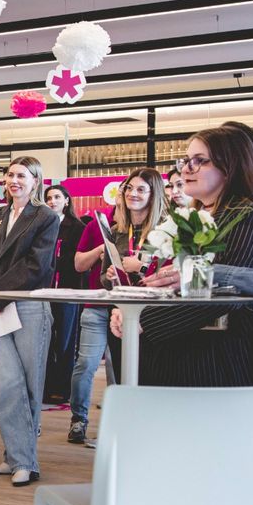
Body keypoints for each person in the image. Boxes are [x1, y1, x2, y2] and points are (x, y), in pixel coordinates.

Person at [114, 127, 253, 505]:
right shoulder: (198, 217)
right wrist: (139, 302)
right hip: (182, 370)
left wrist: (143, 318)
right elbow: (178, 285)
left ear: (232, 165)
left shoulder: (244, 218)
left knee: (204, 497)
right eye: (186, 159)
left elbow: (213, 300)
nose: (187, 168)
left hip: (213, 373)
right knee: (175, 492)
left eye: (200, 160)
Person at [0, 155, 60, 487]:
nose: (15, 180)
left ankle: (24, 458)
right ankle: (15, 454)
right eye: (11, 174)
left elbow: (37, 265)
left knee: (28, 384)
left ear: (35, 181)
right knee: (6, 384)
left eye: (22, 176)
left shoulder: (45, 216)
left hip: (28, 306)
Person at [67, 169, 165, 443]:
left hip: (149, 315)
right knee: (111, 369)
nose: (133, 194)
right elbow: (102, 274)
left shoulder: (166, 229)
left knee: (142, 373)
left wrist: (142, 265)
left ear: (153, 194)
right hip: (116, 309)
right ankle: (115, 430)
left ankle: (143, 432)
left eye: (141, 189)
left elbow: (172, 272)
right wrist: (110, 275)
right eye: (129, 188)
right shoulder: (117, 231)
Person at [42, 184, 85, 405]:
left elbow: (77, 260)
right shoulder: (43, 224)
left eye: (57, 197)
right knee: (46, 339)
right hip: (45, 290)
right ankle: (47, 386)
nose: (52, 201)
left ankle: (63, 388)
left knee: (66, 341)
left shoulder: (76, 226)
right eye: (49, 198)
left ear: (67, 200)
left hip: (67, 288)